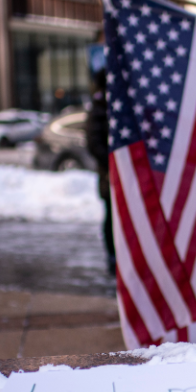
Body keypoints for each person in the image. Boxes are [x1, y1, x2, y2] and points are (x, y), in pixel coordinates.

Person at [87, 69, 116, 275]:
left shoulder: (118, 107)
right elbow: (94, 143)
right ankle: (113, 257)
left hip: (119, 175)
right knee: (112, 217)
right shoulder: (99, 109)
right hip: (109, 175)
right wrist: (113, 163)